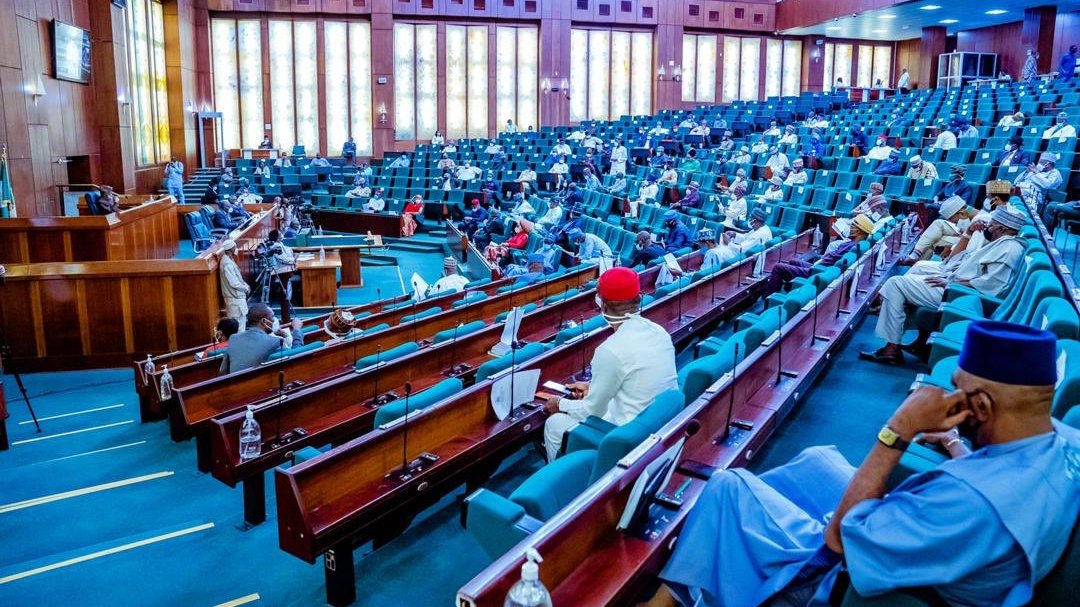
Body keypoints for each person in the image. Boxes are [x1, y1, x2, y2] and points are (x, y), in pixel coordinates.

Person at [654, 320, 1078, 607]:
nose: (947, 399)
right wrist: (953, 442)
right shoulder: (1062, 438)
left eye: (956, 391)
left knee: (728, 486)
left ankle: (675, 596)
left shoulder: (968, 502)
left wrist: (898, 429)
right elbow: (999, 476)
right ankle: (741, 546)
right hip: (933, 538)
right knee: (818, 459)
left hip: (848, 573)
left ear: (981, 405)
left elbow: (839, 540)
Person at [861, 206, 1026, 365]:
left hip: (961, 296)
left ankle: (891, 348)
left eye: (992, 224)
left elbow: (990, 286)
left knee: (895, 283)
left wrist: (951, 283)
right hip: (957, 286)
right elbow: (955, 261)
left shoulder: (1009, 249)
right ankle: (918, 338)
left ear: (1002, 229)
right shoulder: (1000, 242)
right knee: (915, 271)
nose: (987, 226)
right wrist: (968, 233)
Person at [542, 267, 677, 461]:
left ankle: (563, 479)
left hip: (626, 435)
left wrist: (560, 403)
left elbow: (591, 411)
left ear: (602, 305)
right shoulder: (658, 331)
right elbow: (634, 378)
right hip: (655, 421)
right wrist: (593, 387)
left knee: (554, 424)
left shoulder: (609, 350)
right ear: (638, 298)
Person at [764, 214, 875, 294]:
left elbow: (830, 258)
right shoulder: (855, 243)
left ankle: (768, 299)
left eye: (852, 226)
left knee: (778, 267)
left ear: (857, 231)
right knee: (793, 261)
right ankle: (791, 291)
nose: (850, 227)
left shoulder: (850, 245)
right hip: (821, 267)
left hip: (818, 272)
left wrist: (817, 263)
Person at [219, 304, 304, 374]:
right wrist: (297, 329)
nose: (274, 320)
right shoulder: (275, 342)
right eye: (272, 317)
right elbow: (296, 357)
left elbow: (223, 370)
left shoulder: (234, 338)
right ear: (264, 321)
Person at [902, 195, 970, 263]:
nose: (952, 222)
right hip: (962, 231)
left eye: (952, 220)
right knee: (938, 223)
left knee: (932, 240)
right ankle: (915, 258)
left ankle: (916, 260)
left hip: (968, 240)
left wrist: (952, 246)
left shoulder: (978, 221)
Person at [217, 239, 250, 329]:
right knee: (239, 327)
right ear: (231, 249)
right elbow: (234, 283)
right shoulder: (227, 263)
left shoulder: (229, 260)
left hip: (236, 298)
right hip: (235, 300)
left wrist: (245, 285)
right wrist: (246, 288)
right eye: (235, 247)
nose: (236, 249)